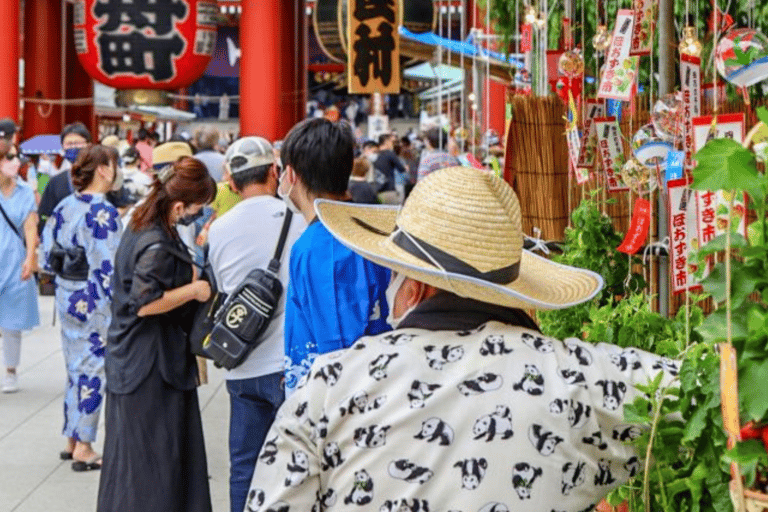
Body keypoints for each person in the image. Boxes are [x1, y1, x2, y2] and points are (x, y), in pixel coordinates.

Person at [244, 166, 680, 512]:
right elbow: (705, 389)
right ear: (515, 292)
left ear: (415, 288)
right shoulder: (582, 377)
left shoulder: (332, 383)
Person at [97, 157, 216, 512]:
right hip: (151, 365)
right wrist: (194, 291)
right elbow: (145, 303)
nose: (199, 214)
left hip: (135, 359)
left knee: (134, 461)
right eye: (198, 208)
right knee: (155, 462)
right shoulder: (156, 242)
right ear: (179, 205)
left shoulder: (139, 222)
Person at [207, 136, 307, 512]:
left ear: (231, 183)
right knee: (294, 464)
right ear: (274, 171)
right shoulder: (297, 221)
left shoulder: (218, 229)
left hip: (240, 362)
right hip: (286, 363)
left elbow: (222, 286)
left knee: (244, 466)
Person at [277, 118, 391, 396]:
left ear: (291, 175)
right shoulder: (367, 227)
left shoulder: (322, 246)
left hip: (335, 405)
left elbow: (339, 353)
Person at [41, 145, 122, 471]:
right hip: (94, 300)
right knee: (93, 370)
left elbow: (47, 256)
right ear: (103, 170)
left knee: (76, 367)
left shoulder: (66, 204)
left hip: (66, 293)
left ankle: (72, 437)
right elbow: (109, 269)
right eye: (114, 165)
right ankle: (85, 445)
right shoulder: (102, 212)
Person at [0, 143, 39, 393]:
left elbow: (30, 227)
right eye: (9, 157)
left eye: (16, 156)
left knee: (11, 321)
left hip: (14, 260)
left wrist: (30, 257)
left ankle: (11, 370)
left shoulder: (25, 191)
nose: (16, 161)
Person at [38, 122, 91, 232]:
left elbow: (121, 205)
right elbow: (45, 214)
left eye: (77, 143)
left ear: (88, 145)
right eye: (69, 144)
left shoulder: (99, 175)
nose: (73, 147)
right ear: (62, 147)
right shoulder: (56, 182)